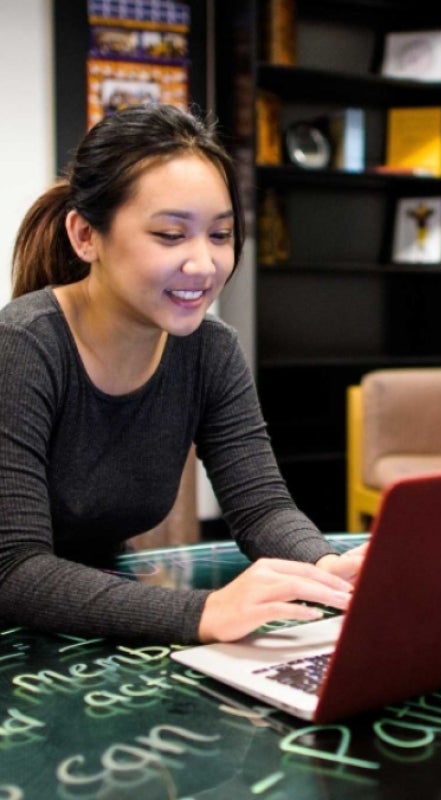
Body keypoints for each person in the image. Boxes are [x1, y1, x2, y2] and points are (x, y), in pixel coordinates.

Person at [0, 103, 363, 644]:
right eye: (171, 235)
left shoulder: (209, 350)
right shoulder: (24, 346)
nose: (204, 264)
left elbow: (261, 508)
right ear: (85, 235)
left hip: (90, 615)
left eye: (219, 235)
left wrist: (324, 566)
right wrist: (201, 614)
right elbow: (14, 569)